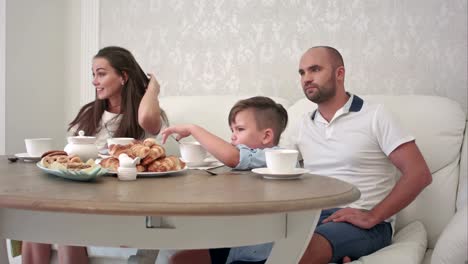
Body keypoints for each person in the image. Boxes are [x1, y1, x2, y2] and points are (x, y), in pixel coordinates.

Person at [21, 46, 168, 264]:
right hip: (81, 194)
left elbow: (148, 118)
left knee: (63, 225)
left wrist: (153, 89)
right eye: (93, 74)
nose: (94, 81)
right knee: (35, 222)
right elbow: (70, 162)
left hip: (121, 200)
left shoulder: (146, 114)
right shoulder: (90, 114)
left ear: (123, 76)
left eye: (101, 73)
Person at [159, 96, 288, 264]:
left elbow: (233, 157)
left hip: (257, 253)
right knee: (178, 259)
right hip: (232, 243)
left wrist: (193, 129)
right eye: (232, 131)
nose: (233, 137)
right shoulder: (242, 160)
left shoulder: (274, 156)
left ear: (266, 136)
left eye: (240, 129)